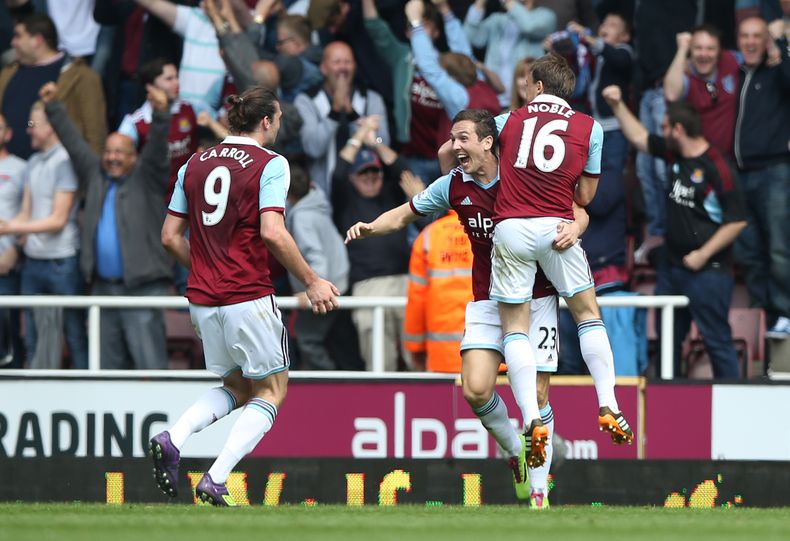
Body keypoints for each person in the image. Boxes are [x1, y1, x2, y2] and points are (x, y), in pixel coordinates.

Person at [347, 109, 588, 508]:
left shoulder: (523, 178)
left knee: (537, 394)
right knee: (475, 390)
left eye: (463, 139)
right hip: (489, 300)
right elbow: (405, 214)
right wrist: (371, 226)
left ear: (488, 142)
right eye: (452, 139)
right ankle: (516, 451)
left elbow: (578, 209)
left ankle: (539, 494)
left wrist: (574, 228)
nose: (455, 147)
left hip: (537, 298)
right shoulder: (453, 186)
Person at [152, 86, 339, 506]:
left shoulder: (194, 163)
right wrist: (311, 280)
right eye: (279, 119)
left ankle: (174, 437)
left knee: (236, 385)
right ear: (267, 121)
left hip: (202, 299)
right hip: (247, 295)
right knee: (271, 389)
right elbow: (272, 231)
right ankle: (216, 478)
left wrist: (206, 268)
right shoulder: (271, 163)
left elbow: (169, 237)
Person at [490, 54, 632, 467]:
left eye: (526, 83)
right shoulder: (591, 127)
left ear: (537, 86)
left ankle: (531, 419)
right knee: (588, 315)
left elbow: (472, 155)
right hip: (558, 228)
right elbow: (585, 197)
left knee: (516, 328)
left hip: (512, 228)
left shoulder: (507, 121)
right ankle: (608, 403)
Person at [603, 84, 748, 377]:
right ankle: (667, 398)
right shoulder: (674, 153)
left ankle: (733, 398)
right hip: (673, 267)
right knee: (668, 340)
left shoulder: (717, 167)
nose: (662, 131)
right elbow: (641, 138)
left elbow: (737, 220)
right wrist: (617, 105)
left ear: (679, 130)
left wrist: (703, 254)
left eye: (665, 127)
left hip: (709, 271)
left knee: (717, 341)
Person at [40, 81, 173, 371]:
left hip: (143, 289)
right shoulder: (95, 176)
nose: (112, 158)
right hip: (103, 289)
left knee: (151, 367)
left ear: (134, 156)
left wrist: (162, 114)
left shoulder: (147, 176)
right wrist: (53, 106)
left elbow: (157, 146)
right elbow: (74, 144)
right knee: (107, 368)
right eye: (108, 152)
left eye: (120, 152)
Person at [0, 99, 87, 369]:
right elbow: (25, 213)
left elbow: (58, 220)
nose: (28, 129)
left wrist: (11, 228)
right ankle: (36, 389)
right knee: (34, 338)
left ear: (50, 127)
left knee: (73, 334)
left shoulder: (65, 161)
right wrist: (10, 229)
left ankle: (87, 388)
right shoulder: (34, 162)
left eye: (33, 124)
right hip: (33, 262)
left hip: (62, 262)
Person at [732, 17, 790, 340]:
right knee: (749, 252)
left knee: (780, 248)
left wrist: (780, 48)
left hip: (774, 170)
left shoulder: (777, 70)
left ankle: (784, 314)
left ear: (766, 40)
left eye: (758, 36)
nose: (751, 42)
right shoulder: (735, 74)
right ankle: (761, 315)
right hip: (740, 176)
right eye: (745, 36)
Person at [0, 13, 106, 159]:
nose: (13, 43)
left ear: (37, 40)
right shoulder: (9, 73)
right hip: (7, 168)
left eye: (18, 36)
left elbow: (95, 133)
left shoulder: (81, 77)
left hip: (59, 168)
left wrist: (92, 170)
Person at [285, 163, 350, 370]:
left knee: (307, 338)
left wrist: (312, 289)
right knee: (335, 341)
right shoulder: (317, 201)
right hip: (338, 280)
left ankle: (328, 385)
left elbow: (316, 256)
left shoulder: (302, 217)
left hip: (326, 286)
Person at [663, 26, 740, 158]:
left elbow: (754, 54)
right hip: (696, 159)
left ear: (719, 52)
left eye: (710, 49)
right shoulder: (685, 75)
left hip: (728, 159)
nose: (704, 54)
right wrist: (682, 49)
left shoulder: (731, 60)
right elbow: (671, 94)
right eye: (698, 48)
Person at [0, 113, 26, 368]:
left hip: (6, 266)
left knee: (8, 334)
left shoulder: (21, 168)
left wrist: (16, 251)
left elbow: (31, 212)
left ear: (8, 133)